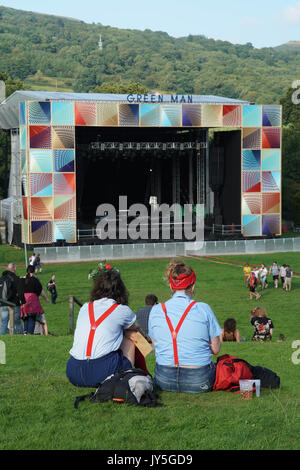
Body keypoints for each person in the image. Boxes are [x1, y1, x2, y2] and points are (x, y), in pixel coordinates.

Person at [148, 259, 222, 394]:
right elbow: (216, 349)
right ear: (192, 286)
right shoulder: (203, 309)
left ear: (171, 286)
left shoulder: (156, 310)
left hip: (164, 379)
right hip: (199, 379)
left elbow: (157, 346)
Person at [66, 265, 147, 388]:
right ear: (120, 290)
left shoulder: (85, 307)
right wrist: (147, 340)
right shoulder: (122, 310)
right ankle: (141, 371)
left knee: (120, 334)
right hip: (102, 372)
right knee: (132, 336)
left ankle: (145, 367)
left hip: (74, 372)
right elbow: (135, 330)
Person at [19, 265, 49, 335]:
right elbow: (41, 291)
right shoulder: (35, 280)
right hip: (32, 300)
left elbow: (19, 291)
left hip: (23, 300)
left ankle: (25, 332)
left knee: (25, 317)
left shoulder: (21, 280)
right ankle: (30, 333)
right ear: (34, 271)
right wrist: (46, 298)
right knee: (32, 317)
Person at [0, 262, 23, 335]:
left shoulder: (1, 279)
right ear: (14, 269)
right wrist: (23, 302)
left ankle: (2, 337)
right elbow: (20, 292)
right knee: (17, 322)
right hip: (14, 304)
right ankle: (20, 337)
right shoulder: (16, 278)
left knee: (4, 322)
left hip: (3, 304)